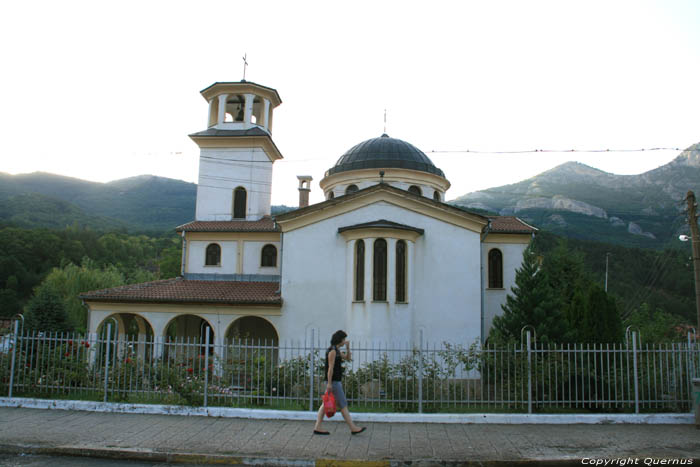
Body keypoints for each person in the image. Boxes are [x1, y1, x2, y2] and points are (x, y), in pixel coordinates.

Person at [313, 330, 366, 435]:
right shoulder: (332, 351)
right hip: (334, 382)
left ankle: (317, 427)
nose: (344, 341)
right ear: (340, 339)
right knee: (343, 404)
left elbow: (348, 358)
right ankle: (353, 428)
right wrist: (329, 383)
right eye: (344, 339)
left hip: (335, 381)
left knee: (324, 405)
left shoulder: (336, 350)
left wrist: (347, 348)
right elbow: (330, 368)